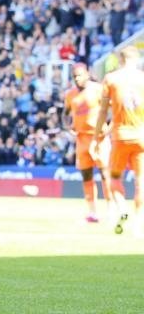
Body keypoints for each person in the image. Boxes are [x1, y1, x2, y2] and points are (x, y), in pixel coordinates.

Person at [93, 46, 144, 235]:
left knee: (114, 177)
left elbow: (103, 110)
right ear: (136, 59)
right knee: (141, 180)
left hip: (120, 136)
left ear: (120, 60)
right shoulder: (142, 77)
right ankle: (139, 221)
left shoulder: (111, 79)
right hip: (141, 137)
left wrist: (98, 134)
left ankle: (122, 207)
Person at [64, 63, 113, 223]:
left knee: (105, 174)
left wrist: (110, 127)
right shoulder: (70, 95)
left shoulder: (98, 89)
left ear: (87, 74)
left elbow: (114, 107)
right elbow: (65, 114)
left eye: (80, 75)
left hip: (99, 139)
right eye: (75, 76)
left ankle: (111, 208)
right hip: (81, 139)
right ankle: (92, 211)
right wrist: (68, 128)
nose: (77, 79)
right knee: (86, 175)